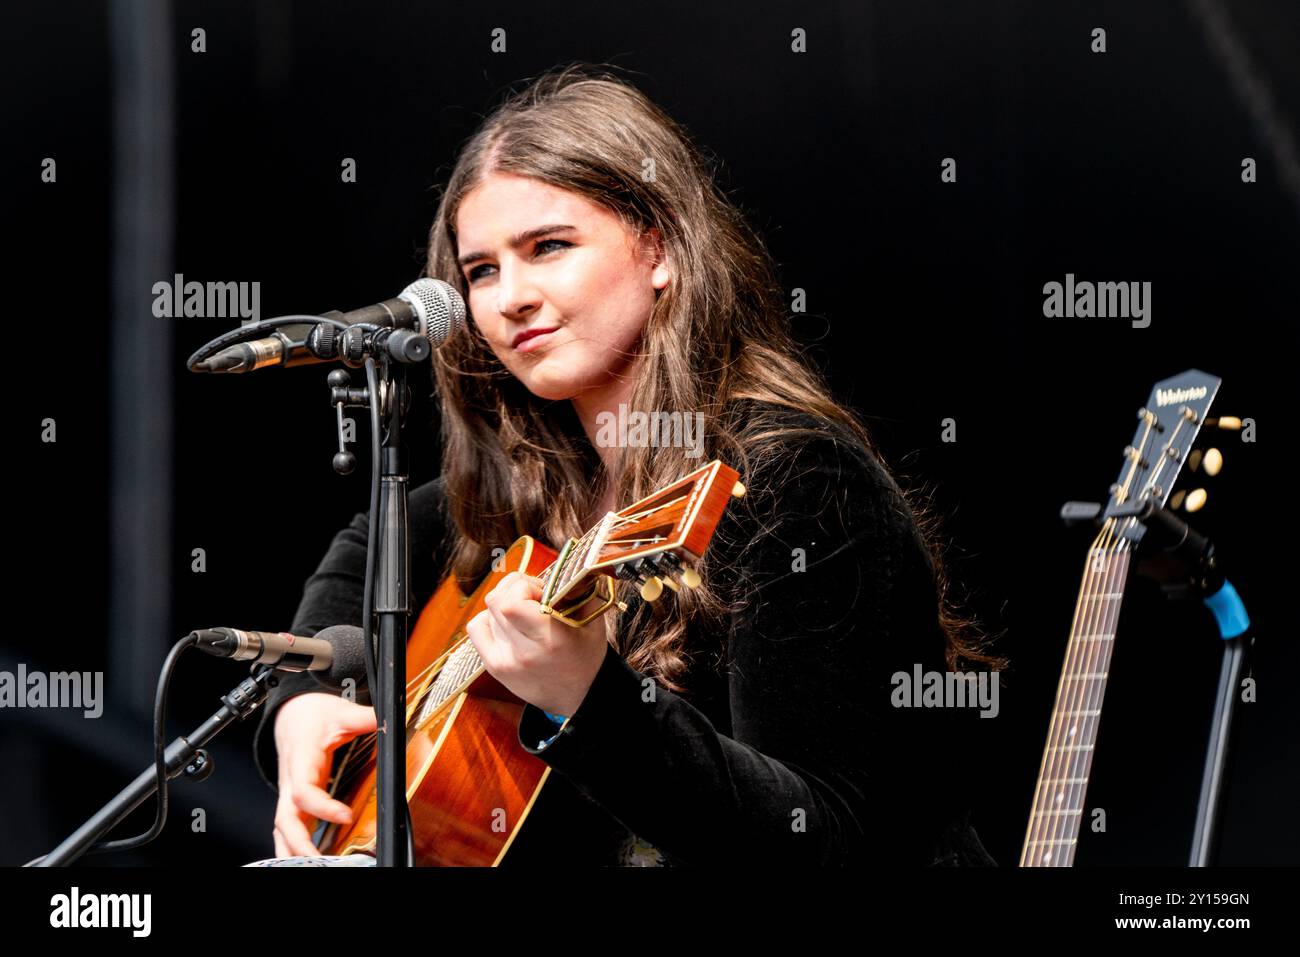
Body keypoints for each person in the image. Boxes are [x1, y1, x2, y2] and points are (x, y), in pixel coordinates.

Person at [250, 63, 1003, 867]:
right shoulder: (529, 485)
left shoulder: (803, 489)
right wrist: (302, 708)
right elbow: (367, 548)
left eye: (549, 247)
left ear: (660, 250)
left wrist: (594, 700)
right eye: (482, 271)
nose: (511, 297)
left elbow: (824, 838)